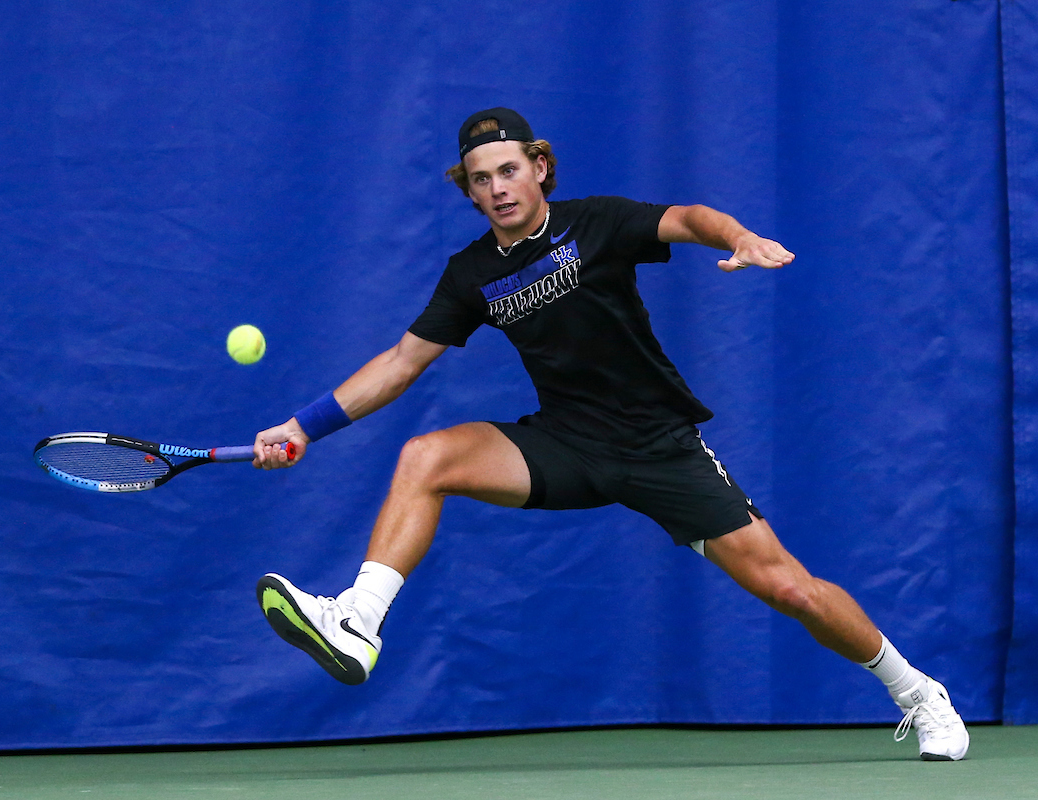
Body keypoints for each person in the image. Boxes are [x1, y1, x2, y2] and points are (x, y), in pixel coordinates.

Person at [251, 107, 969, 761]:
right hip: (566, 443)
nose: (498, 188)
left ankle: (918, 692)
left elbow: (686, 218)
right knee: (427, 456)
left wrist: (740, 236)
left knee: (793, 591)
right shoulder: (470, 274)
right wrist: (302, 427)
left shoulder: (596, 223)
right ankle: (359, 620)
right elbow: (402, 362)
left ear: (538, 166)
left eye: (508, 170)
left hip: (658, 447)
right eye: (480, 179)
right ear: (468, 192)